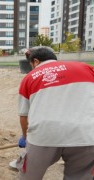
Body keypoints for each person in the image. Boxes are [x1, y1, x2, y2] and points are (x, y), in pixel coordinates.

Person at [17, 47, 94, 179]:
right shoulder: (86, 68)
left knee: (29, 175)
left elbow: (24, 116)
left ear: (35, 61)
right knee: (80, 176)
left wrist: (25, 137)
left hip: (45, 135)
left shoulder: (29, 77)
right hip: (86, 134)